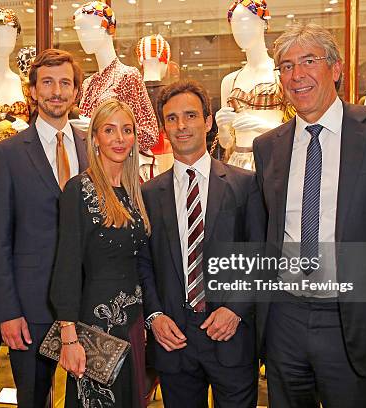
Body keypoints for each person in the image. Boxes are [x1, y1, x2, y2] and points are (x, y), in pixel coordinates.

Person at [252, 23, 366, 407]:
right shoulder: (267, 147)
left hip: (353, 321)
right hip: (285, 320)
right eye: (285, 66)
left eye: (308, 61)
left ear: (335, 69)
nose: (296, 75)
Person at [139, 80, 266, 407]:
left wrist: (236, 309)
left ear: (208, 121)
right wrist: (154, 315)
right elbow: (144, 264)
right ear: (164, 126)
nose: (181, 126)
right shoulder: (149, 194)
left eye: (191, 115)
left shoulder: (244, 185)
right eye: (172, 118)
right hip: (173, 339)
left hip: (231, 333)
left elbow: (260, 254)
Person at [0, 48, 88, 408]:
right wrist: (8, 312)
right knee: (33, 399)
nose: (56, 91)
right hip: (30, 310)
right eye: (47, 83)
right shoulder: (9, 153)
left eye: (65, 83)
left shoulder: (92, 149)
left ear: (76, 91)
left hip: (87, 305)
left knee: (89, 399)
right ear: (32, 91)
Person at [50, 98, 151, 408]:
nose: (119, 139)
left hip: (132, 323)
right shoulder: (79, 189)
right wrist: (69, 338)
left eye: (126, 130)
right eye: (110, 130)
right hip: (95, 329)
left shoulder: (137, 191)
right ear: (94, 138)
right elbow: (66, 266)